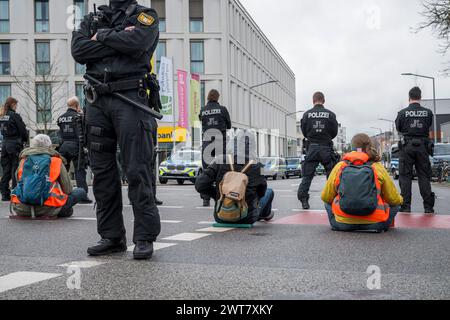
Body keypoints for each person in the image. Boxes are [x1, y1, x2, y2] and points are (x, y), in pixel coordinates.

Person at [71, 0, 161, 260]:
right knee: (102, 173)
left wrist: (103, 37)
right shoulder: (91, 19)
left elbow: (139, 45)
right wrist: (120, 40)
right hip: (96, 100)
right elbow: (79, 50)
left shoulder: (145, 15)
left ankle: (144, 237)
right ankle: (111, 236)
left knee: (137, 169)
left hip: (131, 98)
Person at [322, 133, 403, 233]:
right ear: (369, 146)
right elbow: (393, 199)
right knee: (396, 204)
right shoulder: (377, 167)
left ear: (352, 148)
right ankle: (381, 222)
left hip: (342, 224)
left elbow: (326, 197)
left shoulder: (340, 166)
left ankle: (342, 220)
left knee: (327, 201)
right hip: (376, 224)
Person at [195, 129, 275, 225]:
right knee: (269, 192)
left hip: (221, 215)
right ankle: (265, 214)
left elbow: (200, 185)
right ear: (253, 146)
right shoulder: (258, 166)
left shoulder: (220, 160)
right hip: (247, 218)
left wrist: (219, 195)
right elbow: (262, 192)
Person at [10, 135, 87, 219]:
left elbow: (18, 183)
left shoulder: (23, 160)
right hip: (48, 208)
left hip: (21, 208)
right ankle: (61, 210)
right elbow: (67, 189)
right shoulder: (56, 160)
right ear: (49, 146)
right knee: (81, 191)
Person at [395, 87, 435, 214]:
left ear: (409, 97)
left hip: (407, 147)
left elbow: (399, 128)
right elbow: (429, 125)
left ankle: (405, 206)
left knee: (405, 176)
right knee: (424, 176)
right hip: (423, 146)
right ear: (420, 97)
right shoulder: (428, 112)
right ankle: (428, 207)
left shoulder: (402, 113)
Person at [297, 92, 339, 209]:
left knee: (307, 176)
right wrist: (326, 137)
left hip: (312, 148)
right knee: (331, 175)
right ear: (324, 100)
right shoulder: (330, 115)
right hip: (326, 147)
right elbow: (334, 132)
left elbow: (304, 132)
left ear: (313, 100)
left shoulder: (306, 115)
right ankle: (332, 200)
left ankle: (303, 199)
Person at [57, 97, 93, 204]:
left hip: (63, 146)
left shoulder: (60, 118)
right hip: (76, 146)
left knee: (62, 170)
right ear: (77, 106)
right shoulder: (79, 116)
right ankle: (82, 196)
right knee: (79, 170)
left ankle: (58, 192)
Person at [199, 89, 232, 207]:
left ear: (208, 97)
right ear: (217, 98)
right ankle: (220, 197)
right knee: (220, 170)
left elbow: (201, 121)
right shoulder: (222, 109)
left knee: (207, 170)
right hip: (219, 143)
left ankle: (205, 199)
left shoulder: (203, 110)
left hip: (207, 143)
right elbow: (229, 125)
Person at [0, 97, 28, 202]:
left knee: (6, 170)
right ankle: (15, 192)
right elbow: (22, 130)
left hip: (5, 145)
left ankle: (4, 193)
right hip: (14, 144)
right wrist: (25, 140)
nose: (16, 107)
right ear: (12, 104)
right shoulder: (14, 116)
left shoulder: (2, 116)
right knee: (15, 168)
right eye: (16, 105)